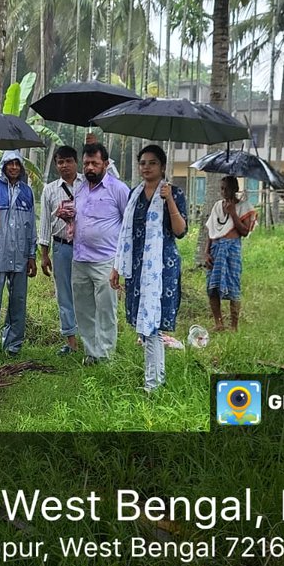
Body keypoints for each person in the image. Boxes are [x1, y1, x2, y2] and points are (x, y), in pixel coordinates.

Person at [111, 145, 188, 391]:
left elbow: (180, 231)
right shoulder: (135, 194)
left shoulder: (173, 192)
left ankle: (152, 384)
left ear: (162, 166)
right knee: (145, 327)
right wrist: (117, 268)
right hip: (137, 267)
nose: (146, 167)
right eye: (142, 162)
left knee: (152, 324)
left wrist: (169, 201)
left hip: (162, 268)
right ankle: (156, 376)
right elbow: (126, 234)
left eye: (152, 163)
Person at [71, 143, 131, 364]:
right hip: (79, 259)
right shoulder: (80, 189)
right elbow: (79, 219)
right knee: (84, 310)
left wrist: (121, 262)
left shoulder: (118, 189)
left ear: (105, 164)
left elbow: (129, 225)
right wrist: (68, 218)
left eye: (94, 163)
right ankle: (91, 352)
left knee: (106, 310)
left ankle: (106, 356)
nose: (89, 167)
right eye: (86, 163)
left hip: (106, 260)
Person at [0, 151, 37, 359]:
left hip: (21, 255)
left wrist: (32, 255)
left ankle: (13, 345)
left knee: (18, 301)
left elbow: (31, 225)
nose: (13, 167)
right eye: (9, 163)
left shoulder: (27, 192)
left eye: (17, 164)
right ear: (3, 166)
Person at [39, 145, 82, 355]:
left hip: (86, 248)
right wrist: (44, 254)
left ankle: (90, 339)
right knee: (64, 294)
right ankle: (71, 341)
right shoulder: (50, 189)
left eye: (68, 161)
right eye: (60, 162)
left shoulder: (88, 184)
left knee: (86, 293)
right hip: (61, 247)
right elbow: (45, 223)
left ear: (76, 162)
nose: (64, 166)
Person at [206, 175, 257, 331]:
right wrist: (206, 252)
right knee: (212, 286)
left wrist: (233, 213)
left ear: (235, 189)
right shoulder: (216, 206)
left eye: (227, 188)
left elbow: (244, 231)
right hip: (216, 248)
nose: (224, 191)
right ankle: (218, 323)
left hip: (232, 249)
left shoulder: (245, 207)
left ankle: (234, 325)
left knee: (233, 285)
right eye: (222, 188)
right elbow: (211, 231)